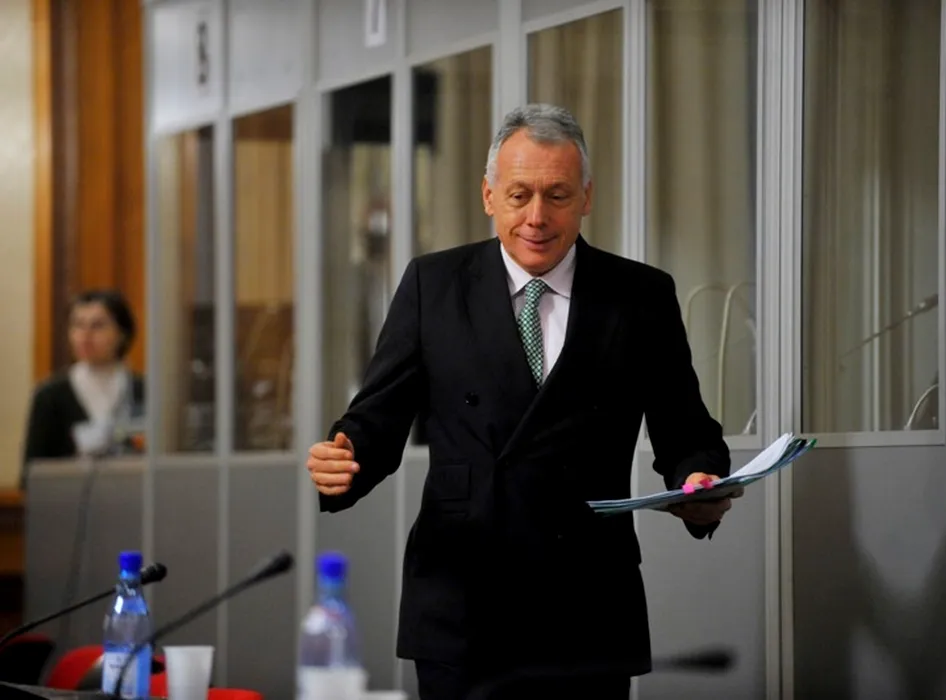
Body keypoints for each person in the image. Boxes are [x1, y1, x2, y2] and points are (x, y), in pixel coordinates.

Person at [306, 104, 738, 699]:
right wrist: (346, 456)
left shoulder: (640, 295)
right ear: (489, 196)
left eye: (557, 195)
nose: (537, 217)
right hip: (462, 596)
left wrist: (699, 484)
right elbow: (376, 418)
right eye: (519, 195)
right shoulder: (434, 284)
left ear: (586, 197)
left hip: (588, 601)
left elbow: (687, 431)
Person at [21, 289, 144, 489]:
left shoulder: (142, 391)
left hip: (131, 494)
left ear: (122, 333)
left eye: (98, 326)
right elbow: (30, 472)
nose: (85, 336)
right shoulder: (50, 395)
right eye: (78, 325)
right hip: (66, 499)